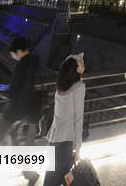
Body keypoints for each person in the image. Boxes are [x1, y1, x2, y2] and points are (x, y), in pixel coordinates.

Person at [0, 37, 41, 186]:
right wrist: (7, 88)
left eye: (12, 53)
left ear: (18, 51)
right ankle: (30, 174)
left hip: (11, 113)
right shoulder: (34, 62)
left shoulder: (22, 65)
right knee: (13, 142)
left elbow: (12, 94)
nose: (12, 56)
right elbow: (21, 87)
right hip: (24, 112)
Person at [44, 54, 86, 186]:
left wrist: (78, 71)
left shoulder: (60, 87)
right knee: (63, 180)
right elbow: (78, 120)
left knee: (50, 179)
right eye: (80, 62)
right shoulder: (79, 87)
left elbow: (66, 64)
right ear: (75, 69)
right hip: (66, 142)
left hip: (53, 139)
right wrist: (78, 149)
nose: (83, 63)